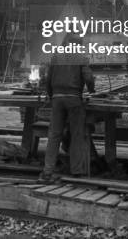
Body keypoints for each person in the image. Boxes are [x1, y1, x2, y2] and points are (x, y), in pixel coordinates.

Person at [40, 33, 95, 181]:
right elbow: (88, 77)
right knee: (77, 134)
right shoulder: (81, 58)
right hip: (74, 99)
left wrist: (52, 96)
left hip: (57, 99)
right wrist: (92, 90)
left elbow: (47, 79)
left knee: (54, 135)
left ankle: (47, 171)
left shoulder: (56, 57)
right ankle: (76, 170)